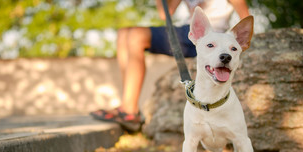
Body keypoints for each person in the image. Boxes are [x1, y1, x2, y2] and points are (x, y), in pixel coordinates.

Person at [91, 0, 250, 131]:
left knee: (135, 36)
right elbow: (164, 12)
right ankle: (127, 104)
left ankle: (129, 111)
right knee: (124, 33)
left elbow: (245, 17)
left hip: (212, 37)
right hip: (189, 31)